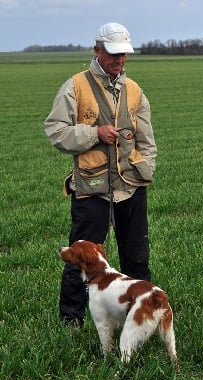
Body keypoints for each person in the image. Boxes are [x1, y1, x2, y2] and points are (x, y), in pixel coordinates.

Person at [44, 22, 157, 328]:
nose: (120, 60)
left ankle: (140, 314)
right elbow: (56, 131)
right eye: (114, 53)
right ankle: (72, 320)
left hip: (130, 186)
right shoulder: (75, 86)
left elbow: (146, 138)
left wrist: (147, 166)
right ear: (97, 50)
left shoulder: (133, 90)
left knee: (136, 257)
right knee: (81, 257)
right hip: (92, 188)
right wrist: (94, 133)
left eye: (124, 54)